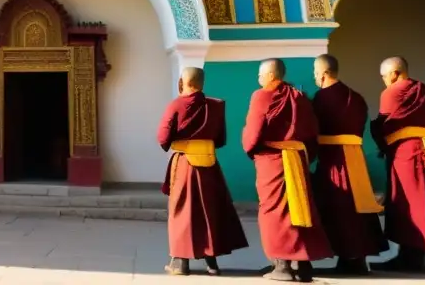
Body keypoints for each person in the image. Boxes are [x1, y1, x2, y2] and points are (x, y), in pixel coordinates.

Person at [242, 59, 332, 282]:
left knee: (275, 211)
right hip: (297, 158)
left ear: (271, 76)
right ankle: (303, 265)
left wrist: (251, 150)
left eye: (261, 75)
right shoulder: (299, 97)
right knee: (300, 208)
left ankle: (282, 266)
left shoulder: (262, 95)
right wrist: (304, 156)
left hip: (272, 160)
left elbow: (253, 130)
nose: (259, 79)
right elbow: (312, 132)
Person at [157, 67, 248, 276]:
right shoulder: (215, 106)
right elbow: (221, 139)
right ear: (202, 83)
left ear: (183, 82)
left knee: (183, 210)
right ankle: (212, 263)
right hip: (210, 164)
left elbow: (163, 137)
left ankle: (180, 263)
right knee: (210, 209)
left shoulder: (177, 104)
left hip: (185, 165)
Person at [370, 56, 425, 274]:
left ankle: (412, 259)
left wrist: (379, 140)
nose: (384, 81)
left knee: (408, 205)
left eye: (384, 76)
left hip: (407, 154)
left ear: (395, 73)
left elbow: (385, 125)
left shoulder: (392, 92)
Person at [310, 54, 388, 274]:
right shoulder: (356, 97)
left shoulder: (320, 99)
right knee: (358, 208)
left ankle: (348, 258)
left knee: (339, 209)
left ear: (324, 74)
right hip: (355, 158)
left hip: (332, 160)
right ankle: (358, 258)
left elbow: (312, 129)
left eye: (316, 72)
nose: (315, 77)